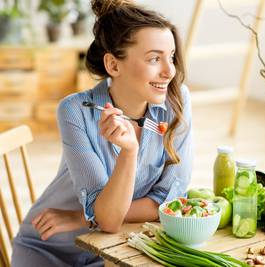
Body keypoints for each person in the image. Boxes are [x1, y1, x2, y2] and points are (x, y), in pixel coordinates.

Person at [11, 0, 192, 266]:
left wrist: (84, 217)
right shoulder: (75, 110)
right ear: (114, 65)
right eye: (154, 58)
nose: (169, 71)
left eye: (171, 56)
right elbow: (108, 219)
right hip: (50, 248)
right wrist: (129, 152)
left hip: (113, 249)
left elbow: (169, 201)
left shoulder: (176, 101)